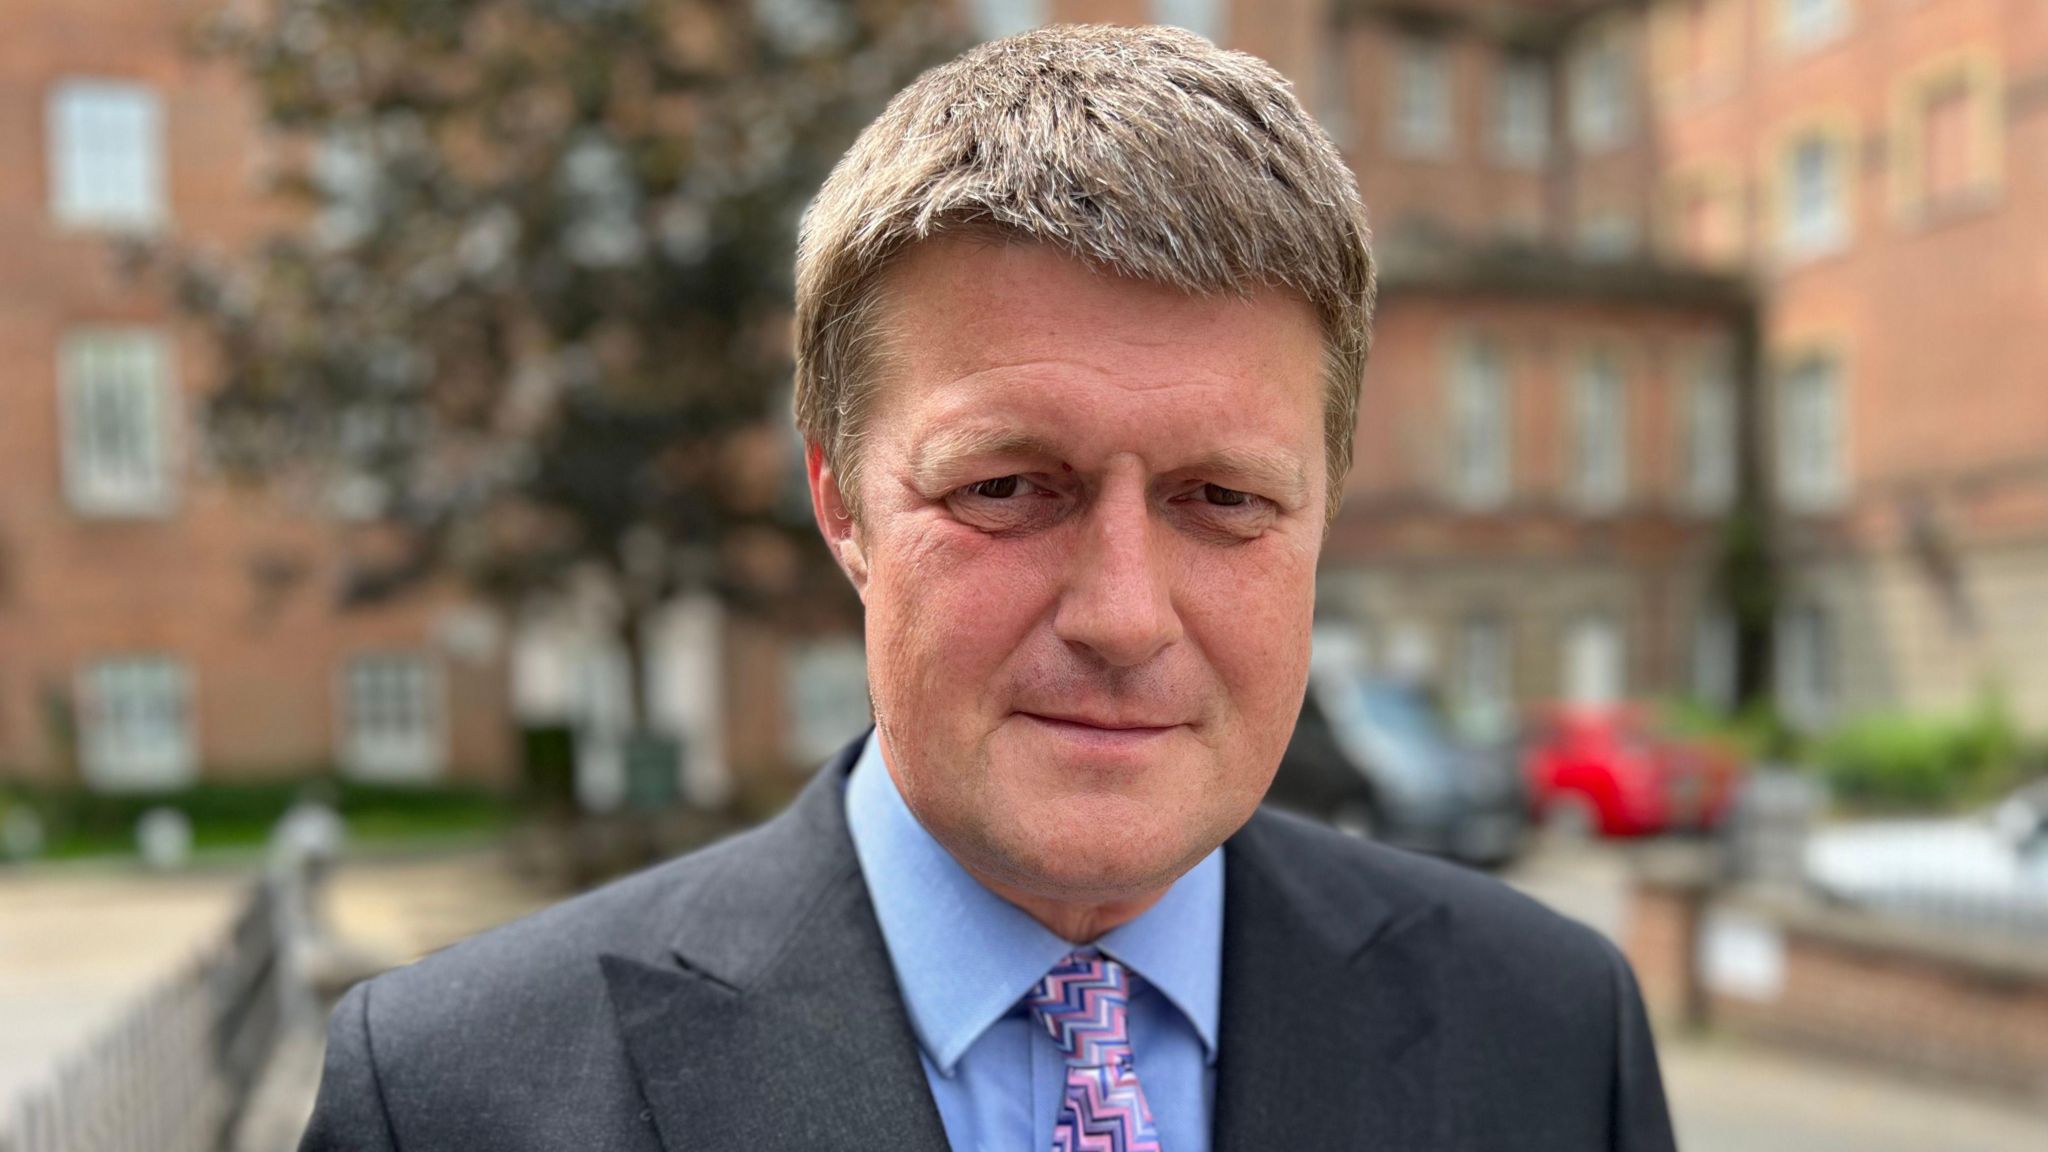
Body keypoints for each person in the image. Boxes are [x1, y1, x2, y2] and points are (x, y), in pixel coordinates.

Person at [299, 24, 1675, 1152]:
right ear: (839, 495)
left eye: (1225, 500)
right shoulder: (454, 1101)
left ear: (1325, 506)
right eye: (1009, 490)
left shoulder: (1552, 1038)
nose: (1125, 615)